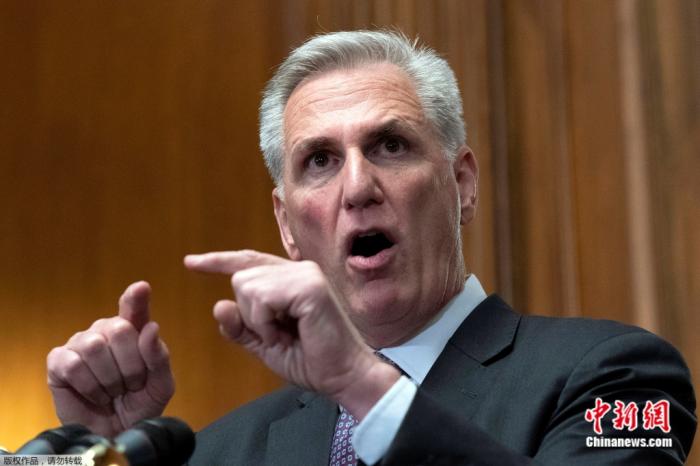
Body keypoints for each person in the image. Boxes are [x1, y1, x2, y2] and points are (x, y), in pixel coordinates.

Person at [46, 30, 696, 465]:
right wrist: (98, 455)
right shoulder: (221, 451)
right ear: (287, 225)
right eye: (320, 160)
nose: (357, 187)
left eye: (390, 145)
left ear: (462, 185)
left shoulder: (619, 378)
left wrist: (364, 386)